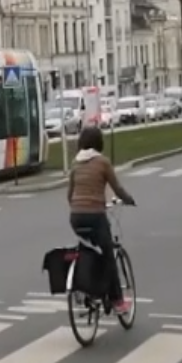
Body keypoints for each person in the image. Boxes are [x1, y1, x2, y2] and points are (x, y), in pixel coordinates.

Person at [67, 126, 136, 315]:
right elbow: (117, 189)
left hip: (76, 217)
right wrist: (129, 200)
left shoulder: (75, 164)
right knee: (108, 256)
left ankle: (87, 287)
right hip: (95, 215)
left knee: (87, 249)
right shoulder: (103, 163)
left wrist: (77, 206)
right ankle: (118, 302)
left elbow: (70, 194)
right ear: (100, 143)